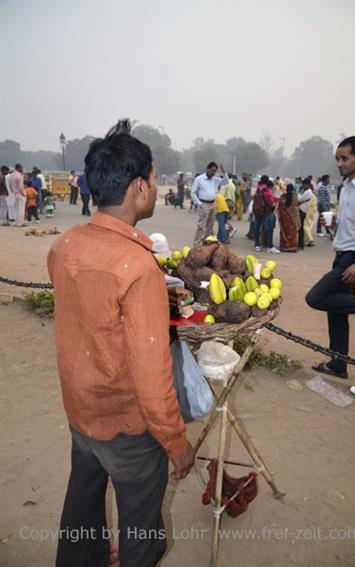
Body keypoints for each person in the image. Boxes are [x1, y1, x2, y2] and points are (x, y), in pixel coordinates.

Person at [48, 119, 195, 567]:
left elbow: (88, 320)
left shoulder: (65, 246)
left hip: (80, 412)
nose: (154, 185)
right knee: (141, 533)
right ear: (138, 187)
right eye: (153, 178)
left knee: (82, 511)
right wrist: (176, 442)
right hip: (128, 428)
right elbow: (152, 379)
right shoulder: (138, 268)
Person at [306, 136, 355, 379]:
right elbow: (351, 226)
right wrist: (334, 224)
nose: (340, 163)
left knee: (316, 297)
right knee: (336, 312)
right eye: (338, 158)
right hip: (341, 253)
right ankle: (339, 363)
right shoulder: (345, 187)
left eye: (345, 158)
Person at [191, 162, 229, 246]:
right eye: (212, 170)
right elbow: (193, 193)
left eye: (215, 171)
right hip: (203, 204)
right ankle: (197, 244)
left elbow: (226, 182)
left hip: (213, 204)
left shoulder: (215, 179)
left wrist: (223, 171)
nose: (213, 173)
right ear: (207, 169)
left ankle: (205, 242)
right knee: (201, 225)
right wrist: (199, 204)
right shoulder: (199, 179)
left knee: (210, 225)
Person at [253, 175, 280, 254]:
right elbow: (271, 202)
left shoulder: (258, 189)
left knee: (257, 228)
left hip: (257, 211)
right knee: (268, 229)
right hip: (265, 212)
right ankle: (270, 247)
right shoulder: (268, 190)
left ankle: (257, 245)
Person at [277, 183, 300, 252]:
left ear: (286, 189)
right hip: (293, 219)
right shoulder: (295, 197)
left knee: (285, 232)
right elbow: (295, 209)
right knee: (292, 233)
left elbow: (279, 208)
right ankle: (292, 247)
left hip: (284, 220)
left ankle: (284, 247)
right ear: (293, 189)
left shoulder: (282, 197)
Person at [297, 178, 313, 250]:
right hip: (302, 209)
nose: (303, 186)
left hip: (302, 210)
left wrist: (299, 194)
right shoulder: (306, 191)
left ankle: (301, 244)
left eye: (304, 184)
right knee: (300, 227)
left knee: (300, 227)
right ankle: (300, 243)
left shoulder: (308, 192)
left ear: (307, 184)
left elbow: (299, 199)